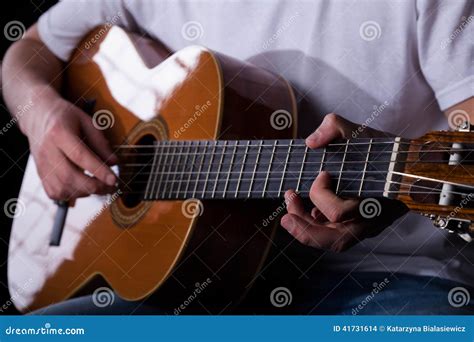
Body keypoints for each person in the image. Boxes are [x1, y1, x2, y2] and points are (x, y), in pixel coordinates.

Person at [2, 0, 473, 315]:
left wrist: (384, 199)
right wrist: (40, 115)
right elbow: (29, 50)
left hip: (386, 278)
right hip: (188, 286)